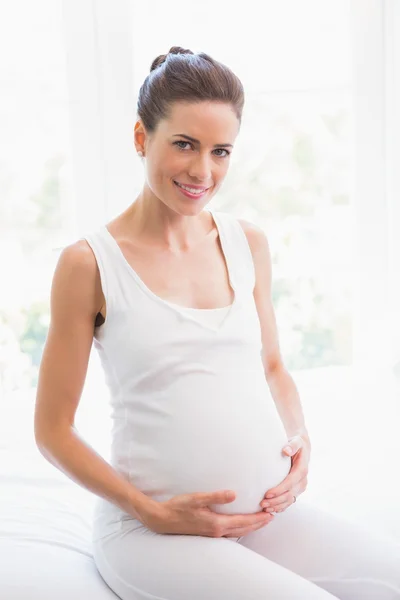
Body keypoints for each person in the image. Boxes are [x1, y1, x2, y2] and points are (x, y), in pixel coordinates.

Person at [34, 46, 400, 599]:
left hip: (262, 520)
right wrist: (149, 510)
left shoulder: (246, 242)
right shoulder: (88, 264)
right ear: (141, 138)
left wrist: (299, 439)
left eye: (220, 151)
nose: (202, 171)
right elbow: (52, 431)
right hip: (153, 532)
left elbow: (273, 367)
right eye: (184, 144)